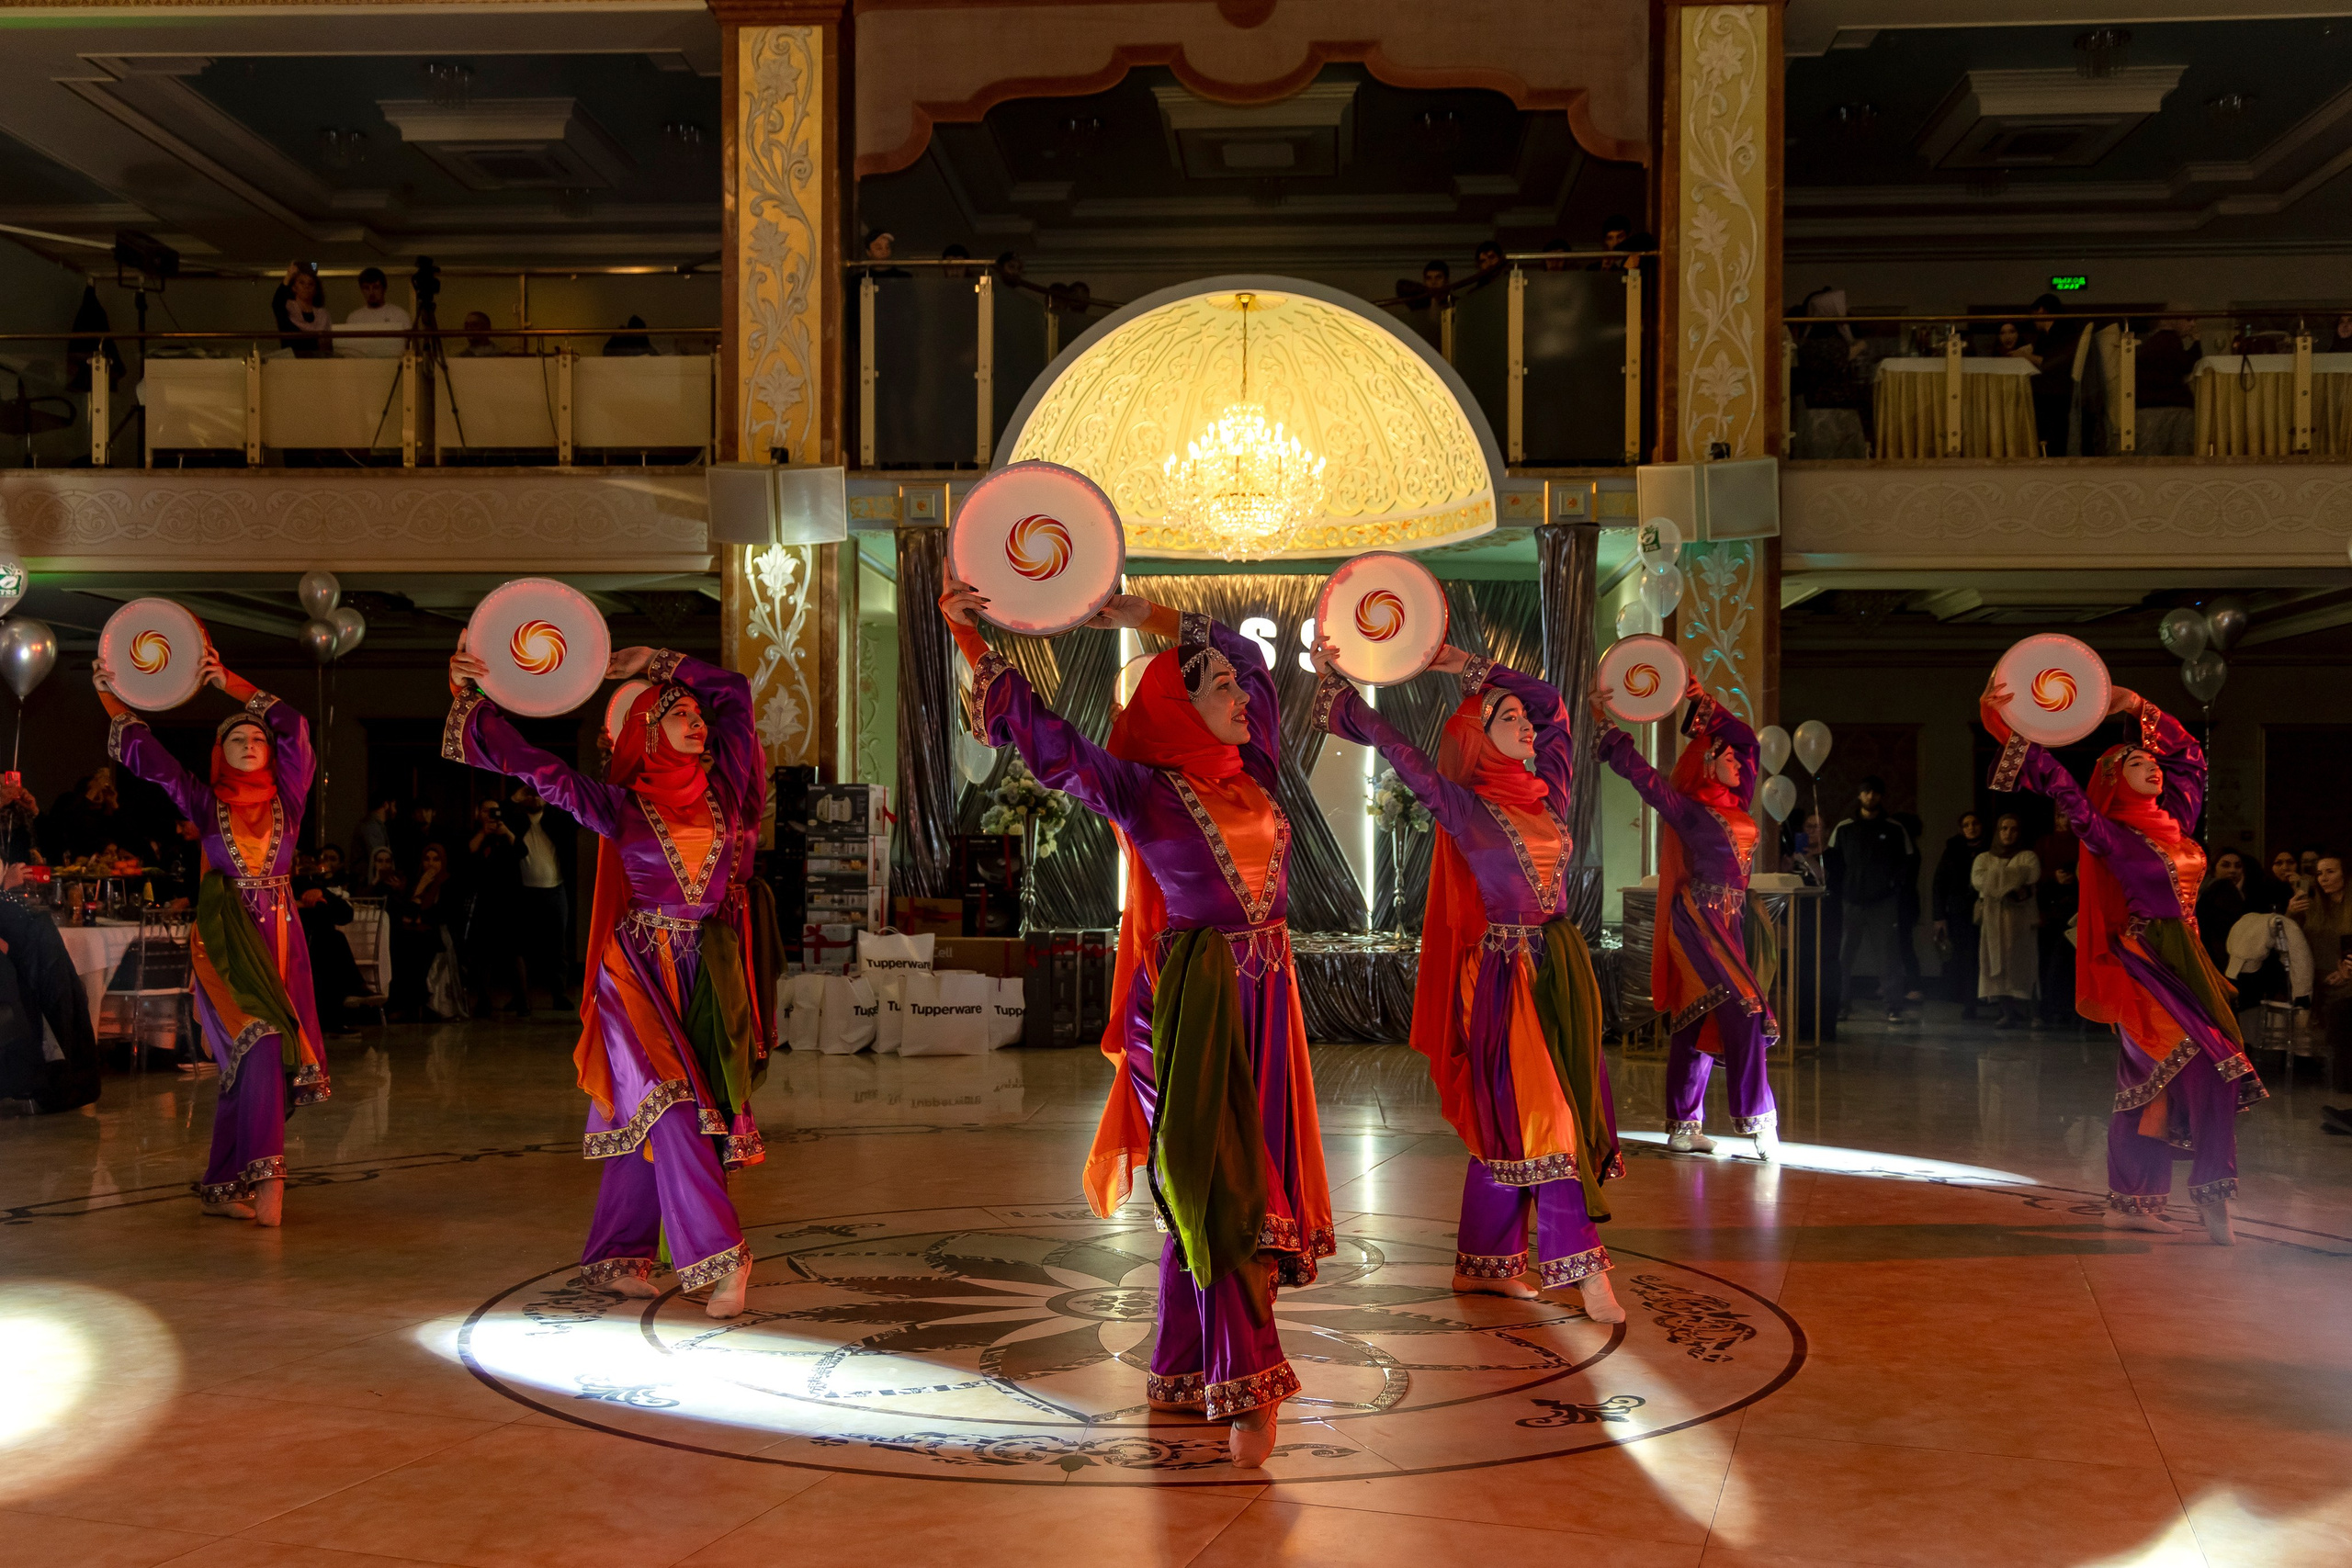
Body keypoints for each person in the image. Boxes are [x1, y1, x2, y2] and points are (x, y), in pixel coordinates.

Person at [942, 578, 1332, 1467]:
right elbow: (1043, 738)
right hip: (1190, 1007)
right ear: (1178, 704)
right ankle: (1249, 1379)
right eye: (1218, 686)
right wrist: (969, 637)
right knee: (1217, 1184)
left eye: (1236, 686)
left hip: (1268, 1007)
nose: (1240, 693)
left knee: (1235, 1179)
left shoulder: (1255, 771)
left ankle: (1183, 1364)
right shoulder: (1142, 790)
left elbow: (1254, 661)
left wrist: (1152, 618)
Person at [445, 637, 769, 1318]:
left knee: (656, 1112)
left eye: (696, 714)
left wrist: (657, 661)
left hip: (707, 973)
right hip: (636, 971)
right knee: (669, 1104)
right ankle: (726, 1253)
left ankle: (618, 1257)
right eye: (677, 713)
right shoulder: (618, 804)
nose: (697, 721)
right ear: (646, 730)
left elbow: (735, 693)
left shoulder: (726, 790)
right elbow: (536, 767)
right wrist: (470, 699)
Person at [1309, 637, 1623, 1322]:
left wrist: (1471, 668)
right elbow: (1400, 750)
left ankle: (1484, 1263)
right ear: (1478, 738)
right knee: (1546, 1118)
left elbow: (1554, 706)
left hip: (1560, 972)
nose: (1526, 724)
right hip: (1502, 980)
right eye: (1507, 717)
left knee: (1510, 1120)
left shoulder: (1549, 791)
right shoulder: (1466, 807)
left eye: (1522, 717)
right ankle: (1584, 1266)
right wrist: (1342, 696)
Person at [1983, 675, 2264, 1243]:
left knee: (2184, 1077)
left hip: (2191, 965)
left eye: (2151, 761)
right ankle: (2178, 1196)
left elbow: (2190, 757)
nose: (2152, 766)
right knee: (2194, 1067)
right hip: (2144, 967)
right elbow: (2058, 782)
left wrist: (2135, 705)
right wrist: (2008, 723)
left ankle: (2154, 1198)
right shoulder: (2108, 833)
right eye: (2136, 762)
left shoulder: (2178, 821)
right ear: (2114, 778)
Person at [93, 641, 330, 1225]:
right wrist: (108, 697)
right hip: (224, 944)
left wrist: (228, 683)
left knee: (252, 1066)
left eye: (257, 739)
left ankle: (223, 1183)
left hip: (281, 943)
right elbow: (152, 759)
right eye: (235, 738)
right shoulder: (205, 803)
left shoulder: (289, 801)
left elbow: (296, 726)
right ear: (219, 752)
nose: (249, 744)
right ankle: (269, 1179)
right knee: (261, 1043)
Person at [1594, 672, 1780, 1157]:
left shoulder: (1738, 801)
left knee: (1698, 1013)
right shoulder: (1691, 811)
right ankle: (1759, 1120)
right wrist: (1603, 724)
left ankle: (1683, 1126)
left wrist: (1703, 703)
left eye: (1736, 758)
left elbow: (1748, 741)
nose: (1738, 761)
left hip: (1731, 921)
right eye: (1726, 757)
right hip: (1697, 918)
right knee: (1745, 1007)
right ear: (1707, 764)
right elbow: (1644, 778)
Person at [1828, 778, 1920, 1022]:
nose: (1871, 796)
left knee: (1888, 955)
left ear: (1881, 796)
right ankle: (1840, 1004)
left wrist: (1892, 885)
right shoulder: (1844, 828)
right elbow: (1833, 863)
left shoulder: (1894, 828)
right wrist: (1841, 890)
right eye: (1866, 792)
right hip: (1851, 900)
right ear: (1859, 795)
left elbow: (1908, 861)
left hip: (1883, 901)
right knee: (1844, 955)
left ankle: (1893, 1006)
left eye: (1875, 792)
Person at [506, 783, 576, 1013]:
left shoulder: (556, 820)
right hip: (523, 891)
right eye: (531, 793)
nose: (535, 797)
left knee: (558, 946)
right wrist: (515, 798)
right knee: (520, 945)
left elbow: (573, 816)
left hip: (555, 888)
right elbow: (500, 818)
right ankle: (521, 997)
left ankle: (559, 994)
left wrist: (551, 793)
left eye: (539, 793)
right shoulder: (516, 821)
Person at [1972, 813, 2041, 1029]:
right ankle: (2007, 1013)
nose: (2008, 833)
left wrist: (1998, 878)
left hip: (2020, 920)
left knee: (2024, 963)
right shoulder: (1984, 858)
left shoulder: (2027, 856)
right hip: (1993, 919)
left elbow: (2031, 875)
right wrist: (2010, 878)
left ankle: (2033, 1013)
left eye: (2013, 829)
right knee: (1996, 965)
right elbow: (1979, 881)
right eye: (2004, 828)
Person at [2291, 855, 2352, 1100]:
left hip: (2346, 977)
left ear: (2345, 874)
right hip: (2316, 979)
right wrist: (2290, 912)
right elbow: (2292, 941)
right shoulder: (2313, 906)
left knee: (2342, 1008)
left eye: (2330, 872)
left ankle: (2343, 1084)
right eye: (2319, 873)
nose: (2323, 878)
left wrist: (2345, 972)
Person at [292, 851, 365, 1038]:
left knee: (330, 939)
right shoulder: (279, 885)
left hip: (312, 942)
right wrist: (299, 904)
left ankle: (334, 1016)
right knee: (331, 941)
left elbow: (346, 915)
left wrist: (321, 893)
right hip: (289, 941)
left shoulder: (304, 884)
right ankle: (354, 988)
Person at [463, 796, 524, 1016]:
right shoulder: (474, 833)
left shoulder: (506, 832)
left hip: (508, 901)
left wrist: (506, 832)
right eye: (486, 811)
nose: (491, 815)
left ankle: (522, 1001)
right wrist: (483, 833)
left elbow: (523, 852)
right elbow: (466, 853)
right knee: (483, 954)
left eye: (495, 811)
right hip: (484, 900)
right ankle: (483, 1002)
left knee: (514, 953)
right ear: (478, 813)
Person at [1931, 811, 1990, 1017]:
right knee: (1965, 955)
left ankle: (1990, 998)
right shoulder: (1953, 850)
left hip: (1987, 908)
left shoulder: (1991, 848)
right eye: (1966, 825)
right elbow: (1939, 883)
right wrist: (1939, 916)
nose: (1971, 828)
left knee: (1987, 954)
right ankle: (1968, 1001)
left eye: (1975, 823)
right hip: (1959, 910)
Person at [390, 842, 457, 1021]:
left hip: (438, 932)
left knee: (417, 946)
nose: (431, 864)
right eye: (427, 859)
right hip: (415, 932)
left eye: (436, 859)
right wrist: (420, 888)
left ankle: (417, 1004)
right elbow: (407, 912)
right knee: (401, 944)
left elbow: (445, 913)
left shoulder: (448, 882)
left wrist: (419, 916)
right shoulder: (419, 880)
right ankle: (405, 1004)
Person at [2134, 318, 2201, 456]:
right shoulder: (2170, 339)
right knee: (2180, 454)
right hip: (2172, 404)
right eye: (2189, 319)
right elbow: (2186, 364)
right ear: (2175, 319)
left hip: (2147, 405)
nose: (2193, 324)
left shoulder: (2151, 342)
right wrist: (2196, 343)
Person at [2198, 851, 2256, 971]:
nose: (2232, 870)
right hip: (2220, 961)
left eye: (2238, 866)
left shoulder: (2249, 893)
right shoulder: (2217, 890)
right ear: (2214, 869)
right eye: (2225, 865)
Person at [337, 266, 411, 358]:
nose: (371, 293)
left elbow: (410, 348)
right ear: (361, 290)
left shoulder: (400, 314)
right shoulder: (353, 317)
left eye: (376, 287)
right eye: (366, 288)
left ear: (384, 288)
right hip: (361, 364)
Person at [271, 262, 332, 357]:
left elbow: (328, 345)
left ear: (315, 290)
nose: (306, 286)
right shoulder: (287, 308)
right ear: (294, 287)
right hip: (291, 360)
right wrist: (289, 275)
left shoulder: (323, 315)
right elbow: (277, 302)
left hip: (318, 361)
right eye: (301, 282)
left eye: (311, 284)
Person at [355, 795, 397, 868]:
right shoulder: (371, 827)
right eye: (394, 806)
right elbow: (379, 859)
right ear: (386, 805)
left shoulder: (377, 826)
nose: (395, 811)